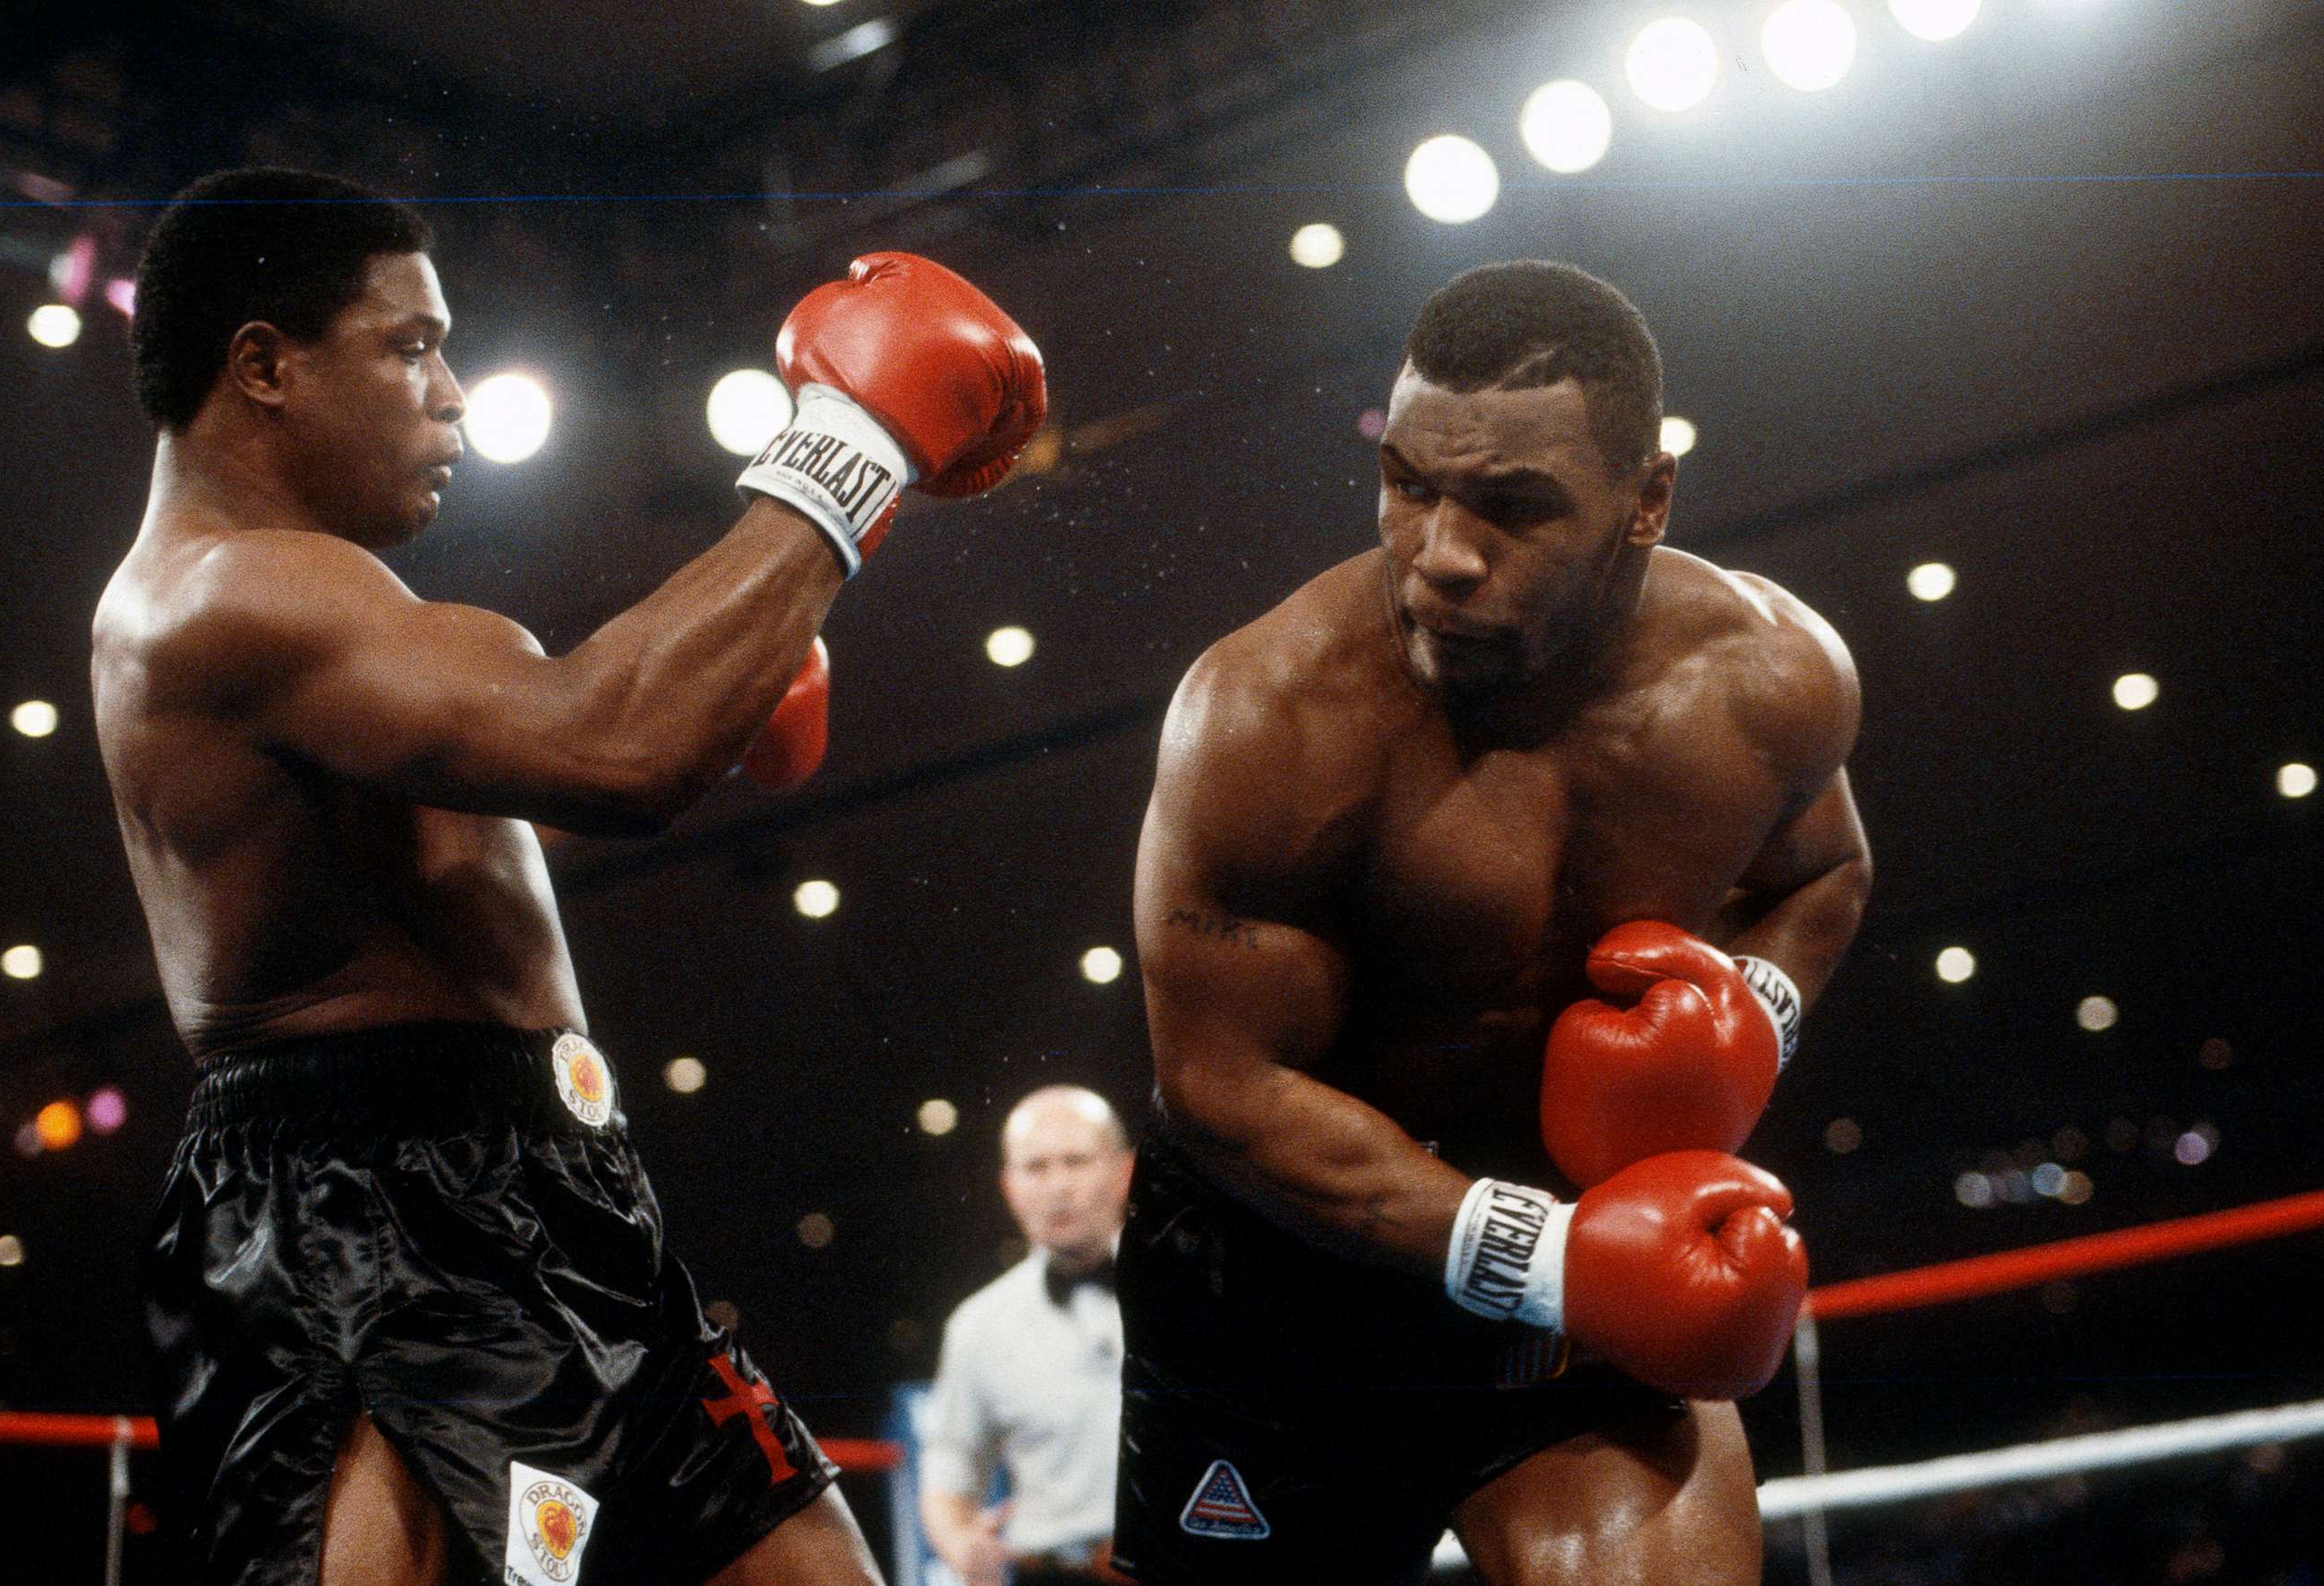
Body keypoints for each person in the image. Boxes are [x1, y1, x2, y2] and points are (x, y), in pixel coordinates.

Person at [92, 167, 1045, 1586]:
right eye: (410, 345)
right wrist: (847, 446)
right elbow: (616, 744)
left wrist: (719, 687)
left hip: (560, 1190)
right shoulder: (217, 597)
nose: (456, 393)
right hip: (358, 1227)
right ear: (263, 366)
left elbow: (598, 718)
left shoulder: (324, 597)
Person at [1115, 260, 1871, 1585]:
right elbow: (1220, 1084)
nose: (1444, 555)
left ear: (1648, 501)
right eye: (1411, 484)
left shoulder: (1764, 680)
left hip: (1577, 1303)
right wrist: (1555, 1257)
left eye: (1515, 507)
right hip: (1281, 1296)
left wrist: (1750, 1018)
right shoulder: (1268, 714)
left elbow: (1824, 876)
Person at [920, 1087, 1133, 1586]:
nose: (1058, 1186)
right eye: (1036, 1167)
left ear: (1125, 1171)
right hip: (1049, 1574)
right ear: (1009, 1186)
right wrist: (963, 1547)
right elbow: (948, 1474)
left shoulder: (1190, 1294)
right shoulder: (979, 1324)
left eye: (1076, 1161)